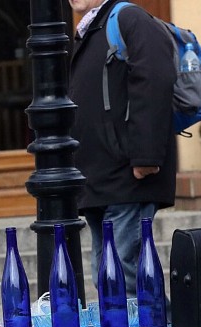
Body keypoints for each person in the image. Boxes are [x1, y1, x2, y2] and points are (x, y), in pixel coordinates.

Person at [68, 0, 177, 296]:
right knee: (106, 274)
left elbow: (155, 81)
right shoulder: (90, 30)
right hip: (98, 178)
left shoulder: (128, 18)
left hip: (129, 174)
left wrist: (146, 155)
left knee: (124, 275)